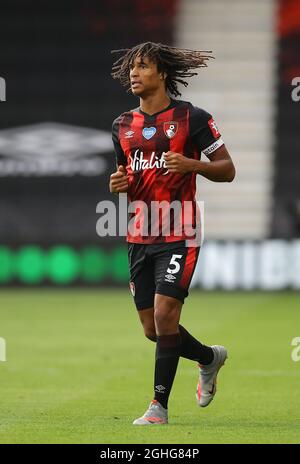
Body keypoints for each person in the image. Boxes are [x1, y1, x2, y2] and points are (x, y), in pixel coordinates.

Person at [109, 42, 235, 425]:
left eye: (142, 66)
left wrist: (191, 164)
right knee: (153, 328)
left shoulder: (191, 118)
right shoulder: (121, 126)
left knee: (166, 314)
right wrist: (119, 183)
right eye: (131, 67)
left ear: (162, 74)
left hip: (180, 230)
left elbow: (227, 169)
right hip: (138, 235)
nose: (134, 73)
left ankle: (158, 408)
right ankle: (209, 358)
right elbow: (129, 176)